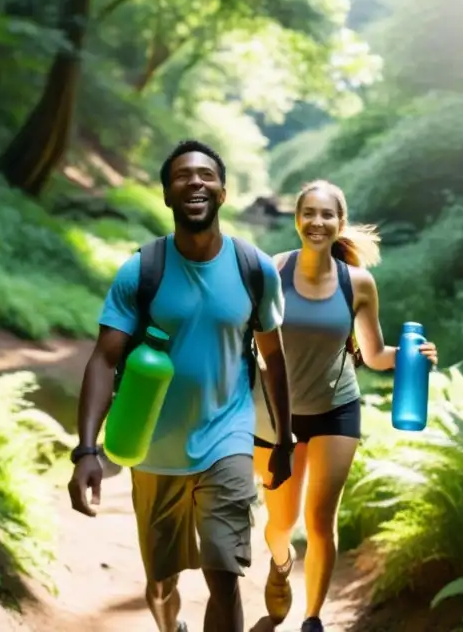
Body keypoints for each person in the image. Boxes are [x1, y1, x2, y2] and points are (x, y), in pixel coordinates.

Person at [67, 140, 296, 632]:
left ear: (223, 191)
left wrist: (284, 439)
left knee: (224, 573)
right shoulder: (142, 270)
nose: (195, 182)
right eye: (182, 177)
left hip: (226, 439)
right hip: (150, 448)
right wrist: (86, 449)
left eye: (205, 175)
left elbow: (274, 360)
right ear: (168, 195)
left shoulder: (253, 269)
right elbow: (104, 359)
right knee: (161, 581)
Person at [251, 179, 439, 632]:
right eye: (309, 213)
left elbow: (372, 355)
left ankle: (313, 618)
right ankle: (280, 564)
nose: (318, 222)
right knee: (282, 522)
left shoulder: (358, 283)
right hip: (277, 413)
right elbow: (252, 344)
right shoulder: (274, 271)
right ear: (297, 219)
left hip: (337, 407)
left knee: (319, 519)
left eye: (327, 214)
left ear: (340, 223)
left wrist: (412, 357)